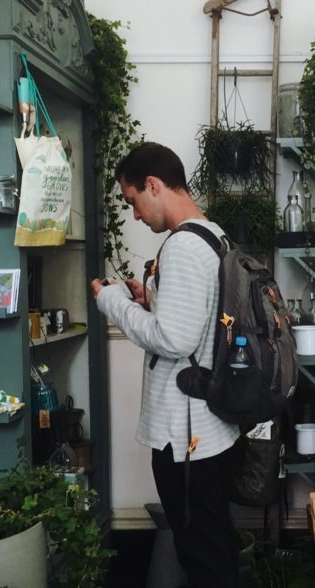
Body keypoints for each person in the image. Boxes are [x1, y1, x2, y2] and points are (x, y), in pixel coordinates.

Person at [91, 142, 240, 587]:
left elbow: (174, 339)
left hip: (185, 435)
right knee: (214, 545)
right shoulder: (212, 235)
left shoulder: (182, 248)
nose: (135, 215)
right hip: (208, 428)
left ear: (153, 185)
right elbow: (197, 318)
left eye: (133, 200)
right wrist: (151, 297)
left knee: (203, 555)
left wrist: (113, 302)